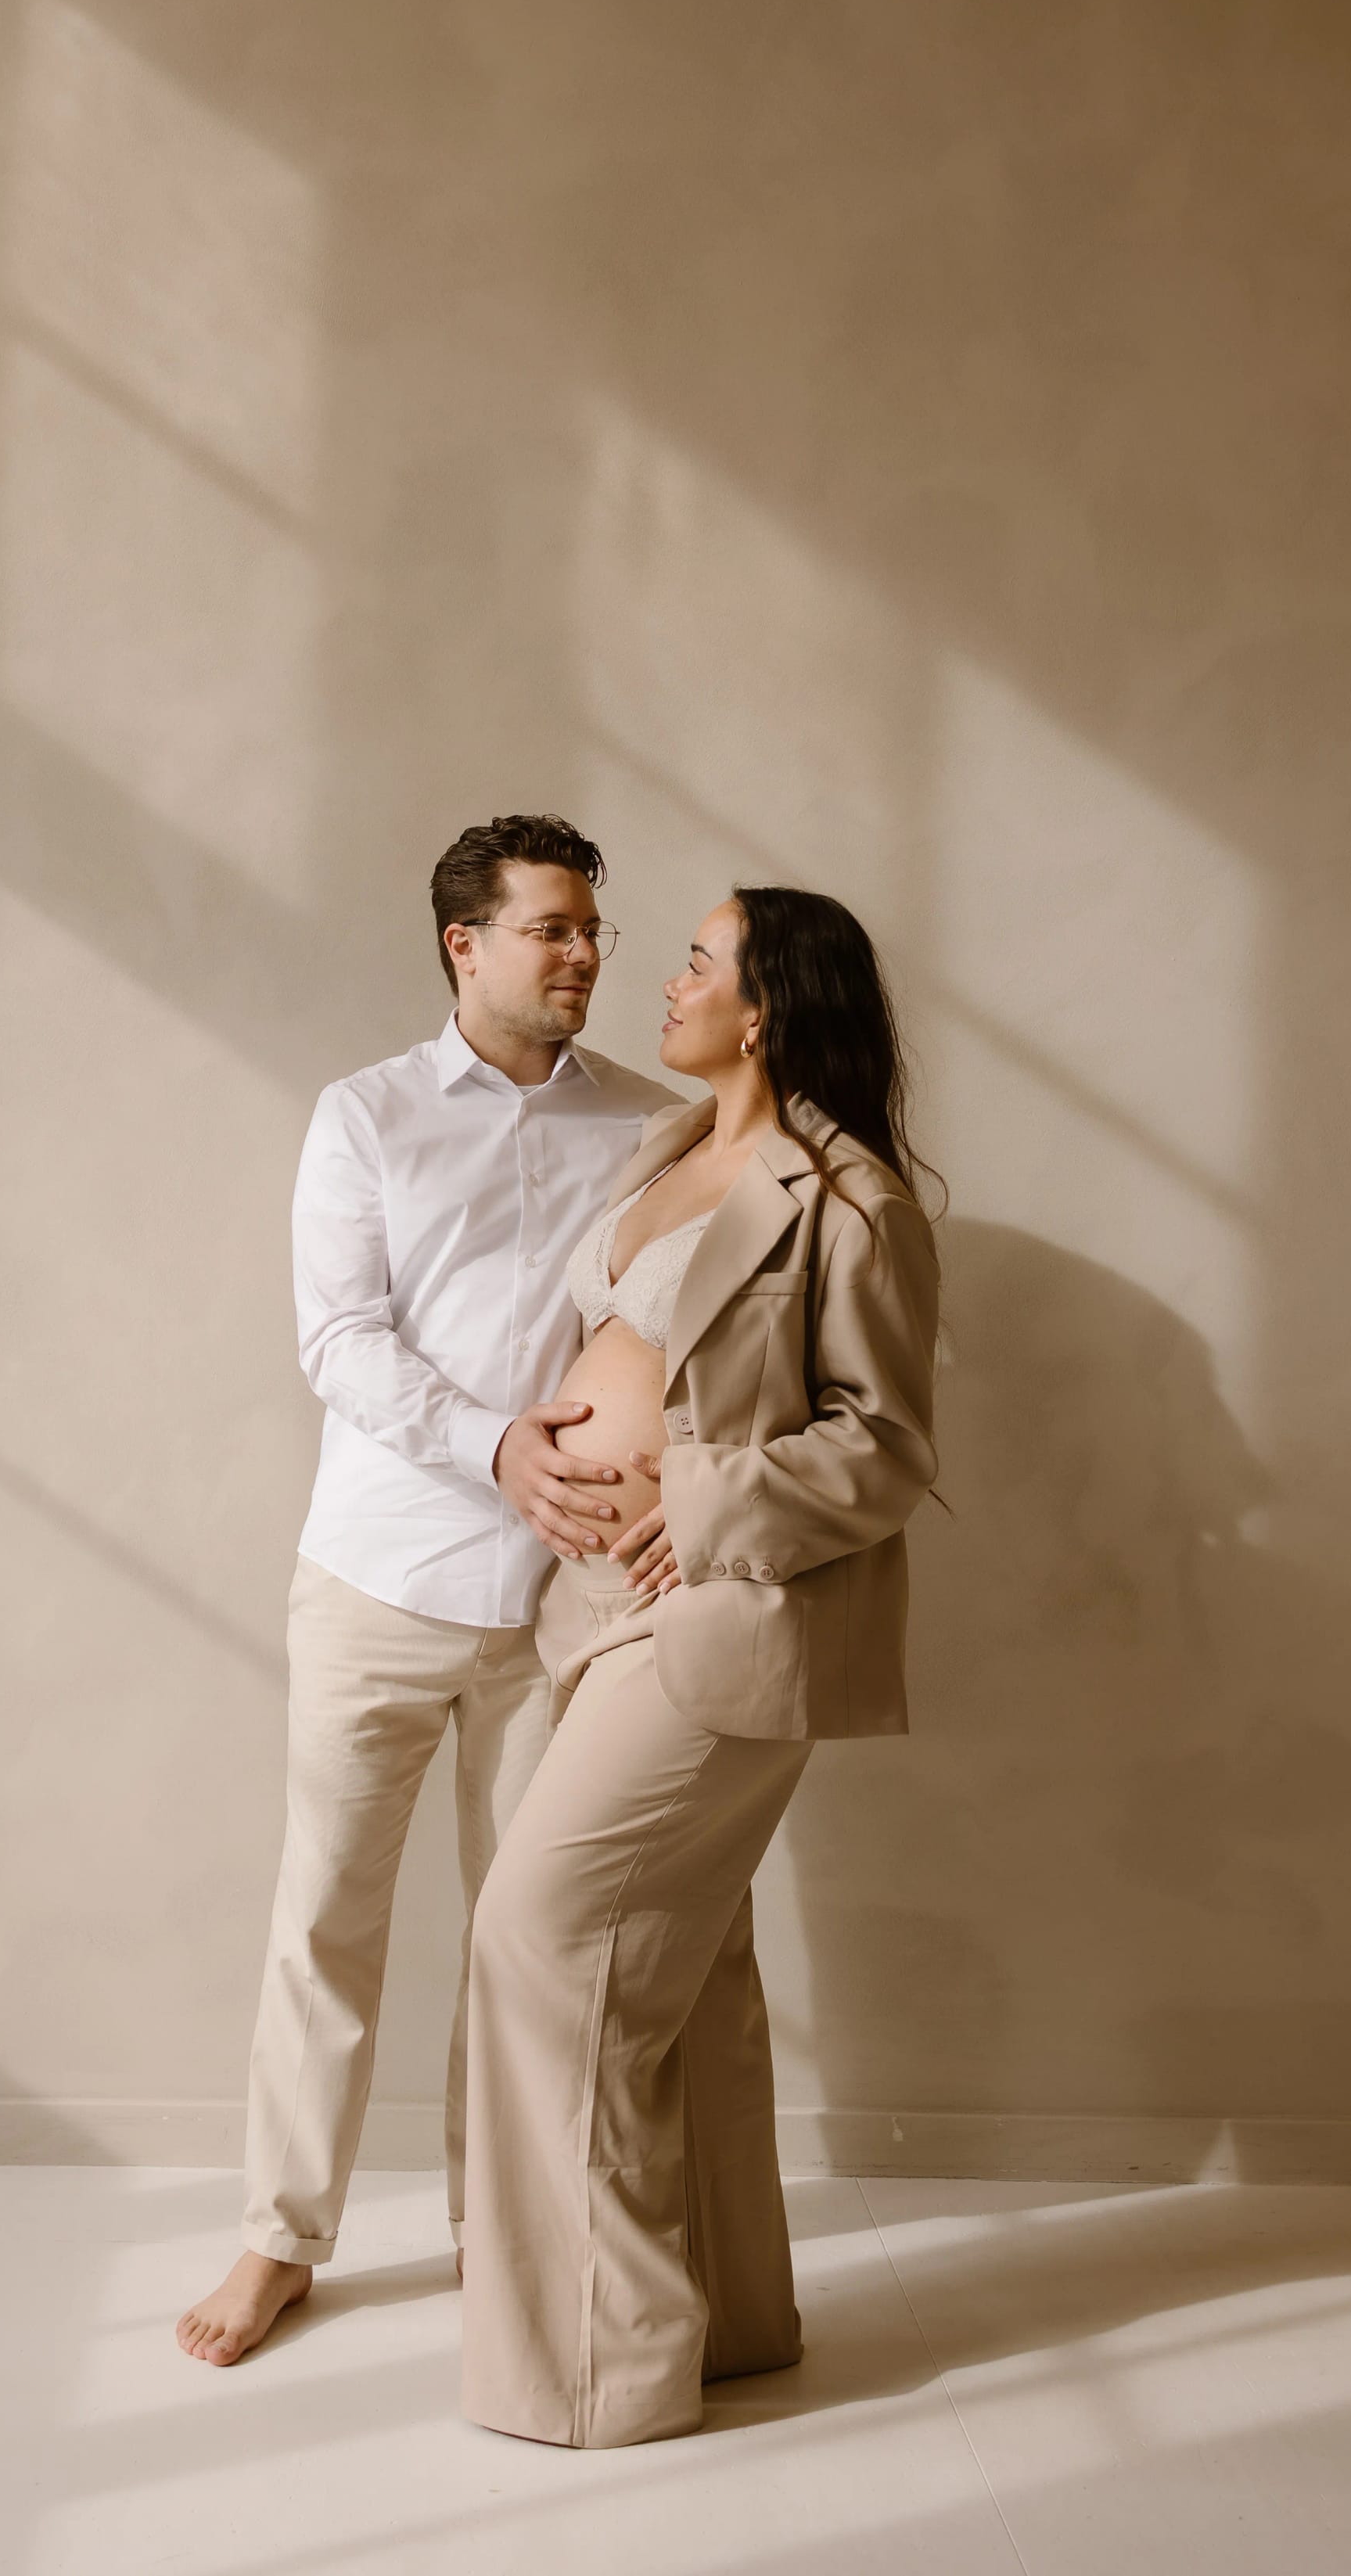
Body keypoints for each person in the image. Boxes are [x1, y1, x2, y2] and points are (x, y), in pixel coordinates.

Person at [177, 815, 680, 2367]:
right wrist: (493, 1449)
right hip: (377, 1583)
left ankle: (500, 2228)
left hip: (561, 1603)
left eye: (590, 927)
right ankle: (279, 2239)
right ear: (465, 944)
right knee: (324, 1918)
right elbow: (339, 1340)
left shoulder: (652, 1128)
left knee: (520, 1935)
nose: (584, 954)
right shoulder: (366, 1117)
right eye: (550, 929)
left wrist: (681, 1491)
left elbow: (696, 1328)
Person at [459, 885, 941, 2449]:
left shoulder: (852, 1199)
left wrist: (697, 1495)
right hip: (589, 1608)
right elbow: (621, 1353)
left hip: (722, 1612)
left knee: (542, 1937)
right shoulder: (669, 1153)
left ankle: (603, 2367)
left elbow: (880, 1447)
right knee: (689, 1976)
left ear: (764, 1008)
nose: (656, 977)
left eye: (696, 960)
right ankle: (730, 2325)